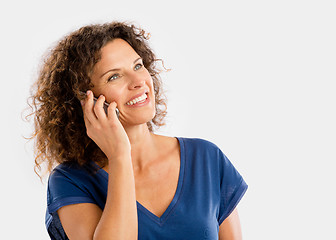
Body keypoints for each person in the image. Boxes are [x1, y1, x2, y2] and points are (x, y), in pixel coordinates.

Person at [28, 21, 248, 240]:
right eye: (114, 76)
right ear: (86, 101)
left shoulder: (207, 158)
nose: (138, 82)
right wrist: (119, 156)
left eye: (137, 66)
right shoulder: (70, 180)